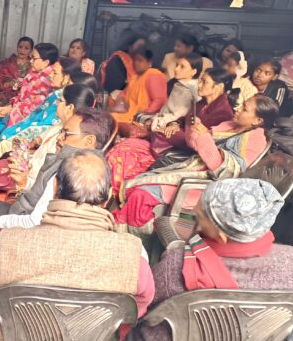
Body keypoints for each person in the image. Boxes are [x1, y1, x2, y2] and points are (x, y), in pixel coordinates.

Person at [0, 151, 154, 341]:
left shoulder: (9, 243)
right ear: (108, 195)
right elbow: (138, 306)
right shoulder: (134, 255)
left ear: (55, 187)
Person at [131, 178, 293, 341]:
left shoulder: (177, 267)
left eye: (199, 216)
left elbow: (143, 305)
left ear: (221, 237)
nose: (193, 212)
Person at [0, 108, 116, 270]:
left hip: (29, 235)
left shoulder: (68, 171)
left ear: (89, 141)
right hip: (28, 216)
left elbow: (35, 221)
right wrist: (23, 184)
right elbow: (42, 201)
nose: (59, 138)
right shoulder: (98, 169)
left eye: (66, 133)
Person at [114, 95, 279, 230]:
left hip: (205, 184)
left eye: (244, 108)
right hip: (192, 169)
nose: (237, 109)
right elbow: (195, 144)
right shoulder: (230, 125)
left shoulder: (255, 141)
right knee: (137, 183)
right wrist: (194, 129)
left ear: (257, 120)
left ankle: (135, 233)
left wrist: (204, 137)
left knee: (141, 194)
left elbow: (226, 172)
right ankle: (128, 224)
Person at [0, 57, 80, 159]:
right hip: (32, 133)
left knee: (6, 142)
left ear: (66, 78)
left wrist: (20, 135)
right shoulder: (55, 94)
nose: (50, 75)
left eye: (55, 73)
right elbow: (35, 115)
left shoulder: (63, 99)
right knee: (4, 131)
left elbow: (46, 125)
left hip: (37, 143)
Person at [0, 82, 96, 162]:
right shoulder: (61, 124)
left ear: (70, 108)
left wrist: (27, 154)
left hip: (32, 168)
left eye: (60, 101)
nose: (56, 104)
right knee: (7, 142)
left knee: (6, 145)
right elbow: (44, 138)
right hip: (31, 154)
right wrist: (34, 142)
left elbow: (44, 161)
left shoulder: (69, 134)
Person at [150, 67, 235, 155]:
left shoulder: (224, 112)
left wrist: (175, 133)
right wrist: (174, 125)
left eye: (204, 82)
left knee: (161, 133)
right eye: (200, 80)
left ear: (219, 87)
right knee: (160, 132)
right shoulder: (201, 103)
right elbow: (185, 119)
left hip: (197, 152)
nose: (199, 85)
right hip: (185, 141)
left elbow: (205, 142)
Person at [0, 43, 61, 128]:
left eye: (34, 58)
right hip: (17, 110)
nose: (31, 61)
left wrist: (11, 110)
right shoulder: (34, 73)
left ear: (46, 62)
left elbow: (36, 108)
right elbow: (23, 97)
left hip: (29, 122)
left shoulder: (47, 80)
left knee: (0, 127)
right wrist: (10, 105)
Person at [145, 53, 204, 133]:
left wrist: (159, 121)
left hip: (177, 125)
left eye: (182, 67)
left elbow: (180, 115)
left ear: (193, 72)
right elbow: (167, 109)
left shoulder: (194, 90)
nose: (176, 69)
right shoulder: (178, 84)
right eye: (177, 65)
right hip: (164, 118)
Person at [110, 49, 168, 124]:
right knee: (108, 116)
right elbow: (124, 94)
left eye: (140, 60)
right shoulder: (135, 76)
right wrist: (119, 102)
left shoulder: (154, 75)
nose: (136, 63)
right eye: (135, 60)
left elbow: (159, 100)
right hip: (130, 113)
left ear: (149, 63)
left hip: (144, 116)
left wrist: (143, 114)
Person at [0, 36, 34, 106]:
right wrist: (10, 84)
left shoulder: (33, 65)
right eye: (20, 47)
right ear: (17, 47)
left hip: (25, 97)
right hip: (6, 96)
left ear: (30, 51)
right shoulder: (6, 63)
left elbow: (36, 83)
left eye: (26, 48)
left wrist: (24, 85)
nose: (22, 50)